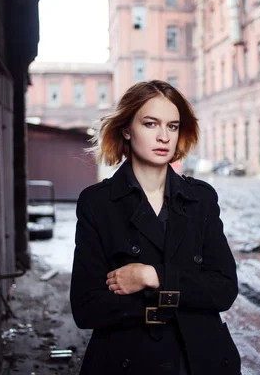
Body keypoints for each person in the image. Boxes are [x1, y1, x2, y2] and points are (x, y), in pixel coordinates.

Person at [70, 80, 241, 375]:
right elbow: (86, 307)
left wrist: (152, 276)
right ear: (127, 129)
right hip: (128, 362)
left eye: (172, 126)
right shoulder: (98, 203)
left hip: (199, 360)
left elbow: (224, 289)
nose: (164, 136)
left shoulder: (200, 198)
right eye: (151, 124)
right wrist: (180, 295)